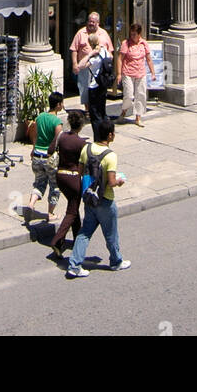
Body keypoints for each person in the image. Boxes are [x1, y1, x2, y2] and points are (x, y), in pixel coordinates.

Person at [65, 118, 130, 277]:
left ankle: (74, 265)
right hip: (105, 200)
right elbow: (112, 181)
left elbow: (80, 172)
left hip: (89, 199)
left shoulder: (86, 149)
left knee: (85, 232)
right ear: (109, 135)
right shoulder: (110, 156)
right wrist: (120, 182)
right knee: (111, 234)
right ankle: (116, 261)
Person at [49, 109, 87, 257]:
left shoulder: (61, 136)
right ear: (81, 126)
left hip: (60, 176)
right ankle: (58, 240)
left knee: (73, 205)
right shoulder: (81, 143)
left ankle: (78, 235)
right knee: (72, 210)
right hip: (73, 178)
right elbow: (86, 163)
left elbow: (50, 150)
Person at [26, 91, 65, 220]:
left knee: (39, 183)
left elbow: (35, 135)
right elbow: (59, 139)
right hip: (49, 157)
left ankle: (31, 204)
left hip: (37, 155)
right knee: (55, 186)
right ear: (58, 104)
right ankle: (50, 213)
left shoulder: (40, 117)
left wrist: (33, 149)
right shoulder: (57, 122)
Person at [116, 23, 156, 126]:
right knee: (129, 95)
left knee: (140, 94)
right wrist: (119, 74)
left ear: (139, 34)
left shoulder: (144, 43)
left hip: (140, 72)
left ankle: (138, 117)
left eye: (134, 34)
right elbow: (120, 58)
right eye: (131, 34)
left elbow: (149, 59)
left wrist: (152, 73)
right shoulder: (126, 43)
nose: (132, 36)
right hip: (128, 72)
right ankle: (124, 111)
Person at [70, 12, 113, 98]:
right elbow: (74, 49)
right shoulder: (81, 33)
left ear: (98, 23)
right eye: (89, 21)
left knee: (98, 91)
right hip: (85, 66)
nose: (91, 23)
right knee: (84, 90)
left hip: (99, 68)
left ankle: (94, 108)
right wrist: (75, 64)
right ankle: (87, 109)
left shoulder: (104, 33)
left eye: (93, 22)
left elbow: (110, 50)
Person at [77, 33, 110, 140]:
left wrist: (90, 54)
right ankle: (105, 135)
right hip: (103, 85)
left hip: (94, 86)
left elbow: (80, 65)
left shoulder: (94, 57)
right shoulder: (104, 50)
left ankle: (98, 138)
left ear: (90, 43)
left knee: (95, 114)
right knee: (102, 111)